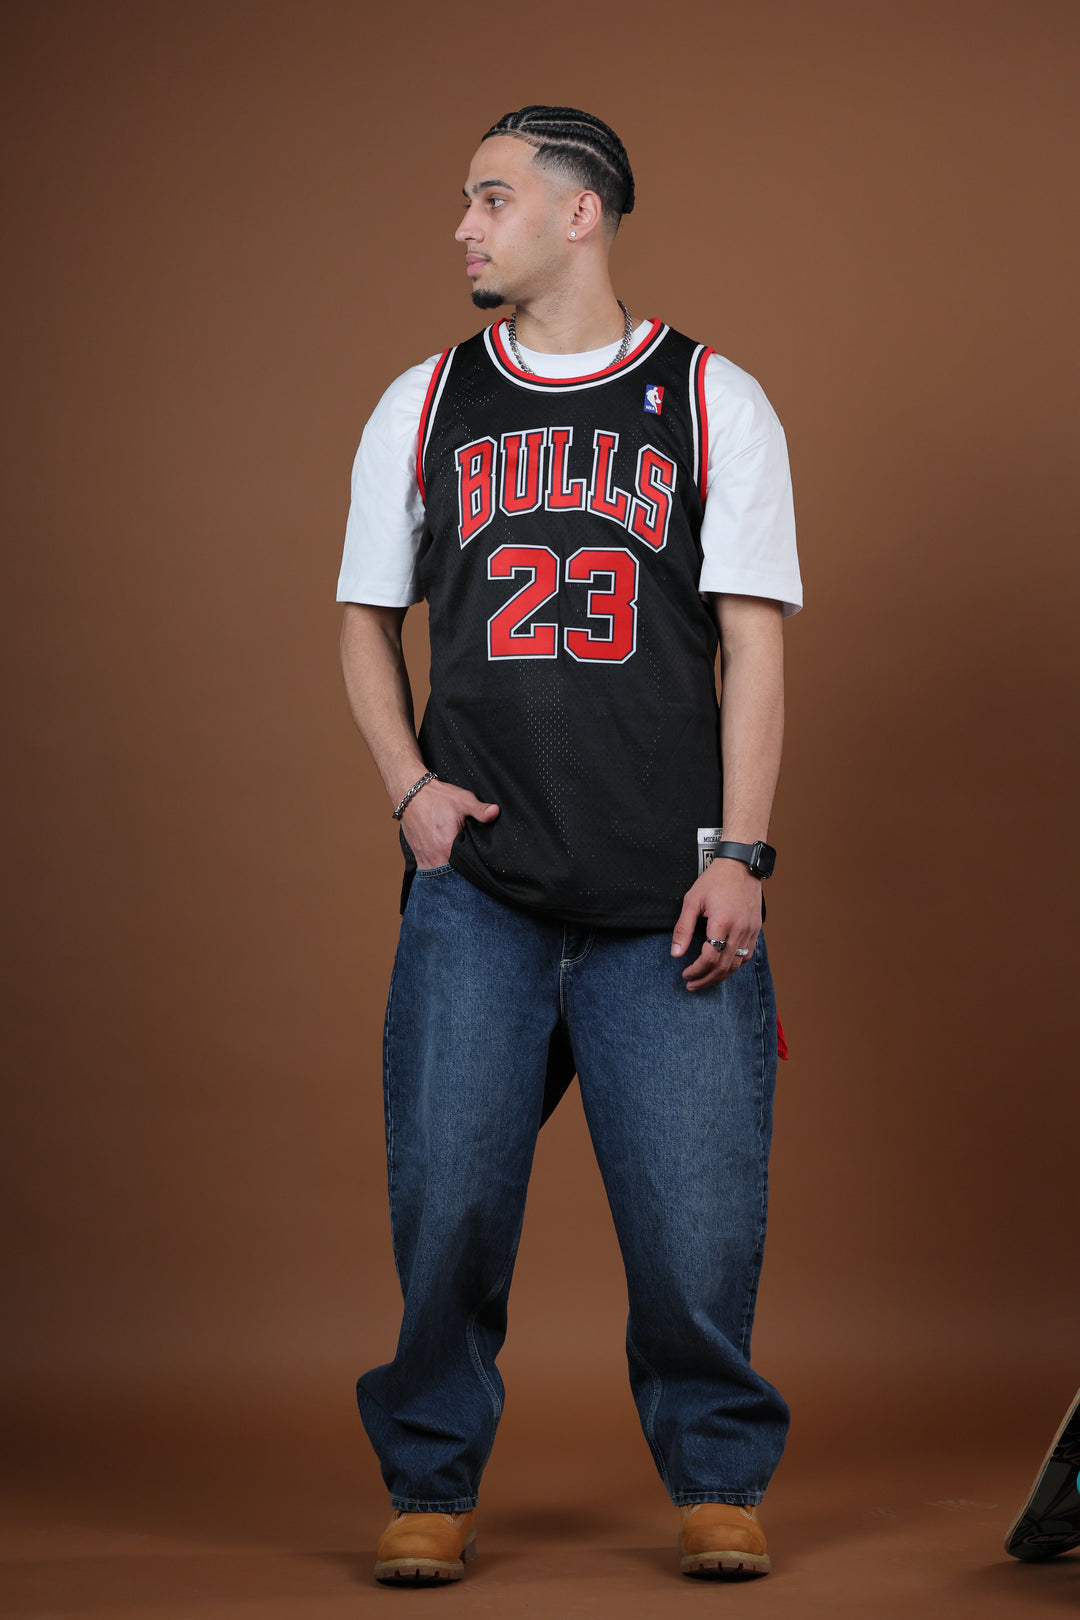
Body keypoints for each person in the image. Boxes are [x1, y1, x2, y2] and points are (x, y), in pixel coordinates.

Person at [336, 105, 803, 1585]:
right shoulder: (425, 401)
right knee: (449, 1203)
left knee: (695, 1222)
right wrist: (409, 790)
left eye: (491, 198)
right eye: (467, 202)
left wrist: (741, 853)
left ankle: (718, 1478)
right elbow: (364, 620)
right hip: (478, 889)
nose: (464, 227)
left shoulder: (712, 396)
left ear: (580, 211)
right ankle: (429, 1480)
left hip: (667, 894)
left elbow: (754, 643)